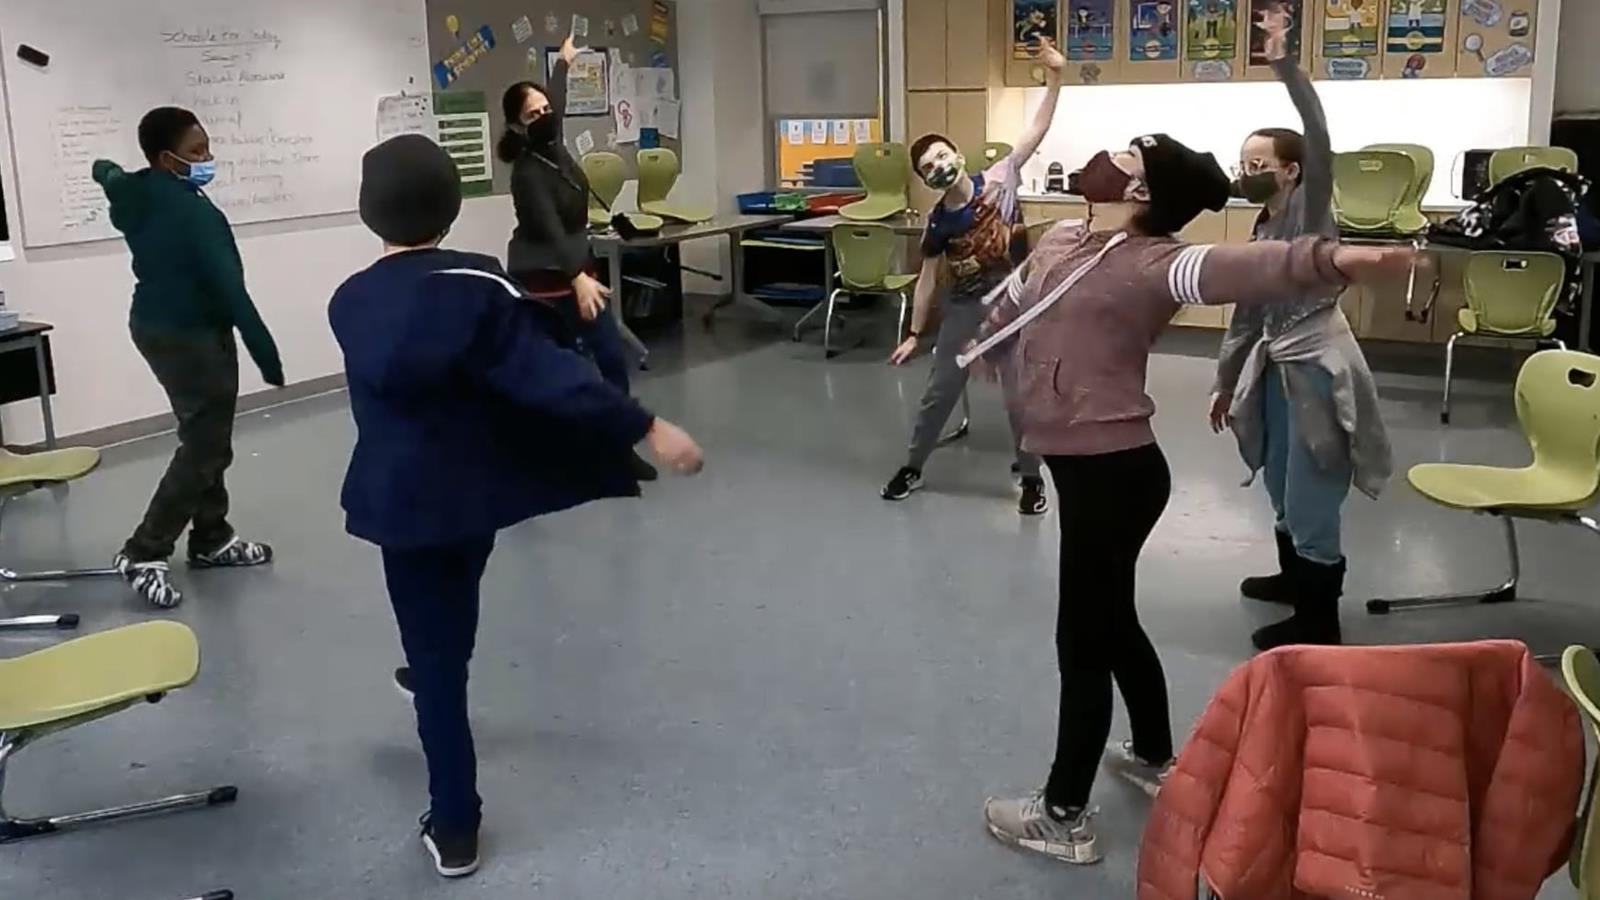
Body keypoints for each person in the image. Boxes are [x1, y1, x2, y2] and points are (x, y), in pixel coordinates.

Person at [961, 128, 1414, 863]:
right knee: (1111, 622)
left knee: (1083, 641)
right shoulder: (1067, 235)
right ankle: (1151, 755)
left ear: (1140, 191)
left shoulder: (1157, 265)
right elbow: (1022, 299)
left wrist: (1334, 257)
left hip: (1112, 474)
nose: (1101, 159)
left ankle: (1063, 816)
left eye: (1124, 159)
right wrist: (985, 339)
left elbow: (1248, 267)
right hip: (1092, 469)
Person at [329, 134, 703, 879]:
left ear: (371, 214)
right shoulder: (480, 286)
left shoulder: (350, 300)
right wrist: (645, 425)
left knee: (434, 637)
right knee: (446, 634)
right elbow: (547, 375)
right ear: (451, 205)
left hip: (399, 504)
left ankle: (437, 690)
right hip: (470, 497)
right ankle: (457, 822)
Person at [1210, 11, 1391, 652]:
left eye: (1259, 162)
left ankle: (1321, 624)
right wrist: (1225, 382)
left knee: (1313, 491)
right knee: (1278, 476)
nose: (1248, 169)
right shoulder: (1261, 227)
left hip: (1316, 367)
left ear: (1291, 170)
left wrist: (1284, 64)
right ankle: (1294, 583)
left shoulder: (1313, 213)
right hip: (1274, 365)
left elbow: (1318, 134)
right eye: (1243, 161)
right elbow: (1246, 314)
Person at [93, 107, 282, 610]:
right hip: (192, 335)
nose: (207, 159)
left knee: (207, 434)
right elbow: (232, 293)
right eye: (196, 153)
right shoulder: (196, 215)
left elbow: (107, 174)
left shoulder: (138, 191)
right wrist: (266, 354)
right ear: (165, 158)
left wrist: (102, 170)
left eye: (206, 148)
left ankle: (211, 538)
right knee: (204, 444)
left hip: (154, 326)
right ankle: (144, 550)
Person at [880, 37, 1065, 515]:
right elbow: (925, 279)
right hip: (964, 312)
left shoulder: (1002, 176)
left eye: (942, 156)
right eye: (928, 168)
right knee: (939, 391)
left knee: (1020, 396)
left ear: (957, 154)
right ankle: (913, 466)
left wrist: (1056, 77)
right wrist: (915, 333)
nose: (939, 167)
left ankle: (1030, 477)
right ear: (925, 181)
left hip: (1017, 305)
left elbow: (1037, 130)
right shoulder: (939, 221)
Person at [498, 34, 657, 481]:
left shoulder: (554, 146)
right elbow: (549, 228)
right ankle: (531, 450)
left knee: (610, 355)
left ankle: (617, 448)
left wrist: (564, 64)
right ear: (516, 126)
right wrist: (578, 277)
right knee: (551, 369)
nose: (546, 116)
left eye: (546, 110)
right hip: (543, 276)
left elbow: (557, 100)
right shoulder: (528, 173)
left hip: (573, 267)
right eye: (534, 114)